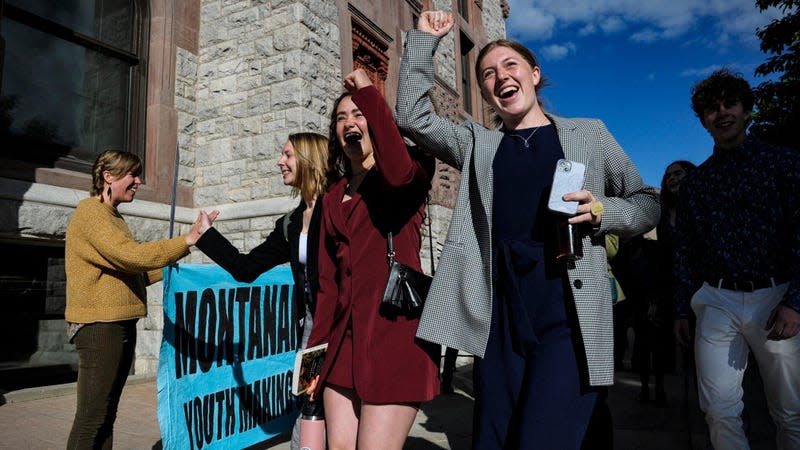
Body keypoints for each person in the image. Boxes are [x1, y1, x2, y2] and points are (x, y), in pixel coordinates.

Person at [395, 11, 660, 449]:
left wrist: (601, 210)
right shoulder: (480, 143)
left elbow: (647, 201)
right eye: (487, 74)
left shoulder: (587, 134)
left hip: (566, 313)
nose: (500, 77)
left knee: (542, 437)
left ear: (534, 75)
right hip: (498, 317)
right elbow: (412, 116)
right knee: (493, 438)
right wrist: (424, 40)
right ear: (484, 92)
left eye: (510, 66)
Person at [305, 69, 439, 450]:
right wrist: (313, 361)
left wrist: (368, 93)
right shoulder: (332, 197)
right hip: (342, 344)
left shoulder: (410, 171)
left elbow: (397, 171)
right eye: (341, 117)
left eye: (358, 114)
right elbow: (327, 288)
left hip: (393, 335)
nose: (349, 123)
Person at [673, 68, 800, 450]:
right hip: (717, 299)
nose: (722, 113)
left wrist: (795, 301)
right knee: (719, 409)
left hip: (775, 297)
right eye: (711, 109)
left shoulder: (784, 164)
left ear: (747, 110)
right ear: (703, 120)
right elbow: (686, 249)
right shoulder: (698, 182)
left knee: (791, 411)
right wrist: (681, 308)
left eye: (730, 104)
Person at [65, 150, 214, 449]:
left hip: (118, 323)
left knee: (106, 414)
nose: (138, 181)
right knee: (92, 418)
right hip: (100, 328)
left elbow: (130, 272)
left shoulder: (113, 217)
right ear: (108, 176)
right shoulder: (91, 214)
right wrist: (186, 240)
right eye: (132, 174)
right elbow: (131, 257)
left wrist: (175, 261)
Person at [194, 132, 329, 450]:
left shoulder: (341, 209)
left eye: (287, 155)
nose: (279, 161)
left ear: (309, 160)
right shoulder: (291, 222)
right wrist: (207, 234)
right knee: (309, 408)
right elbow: (245, 268)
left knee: (343, 413)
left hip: (345, 330)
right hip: (311, 336)